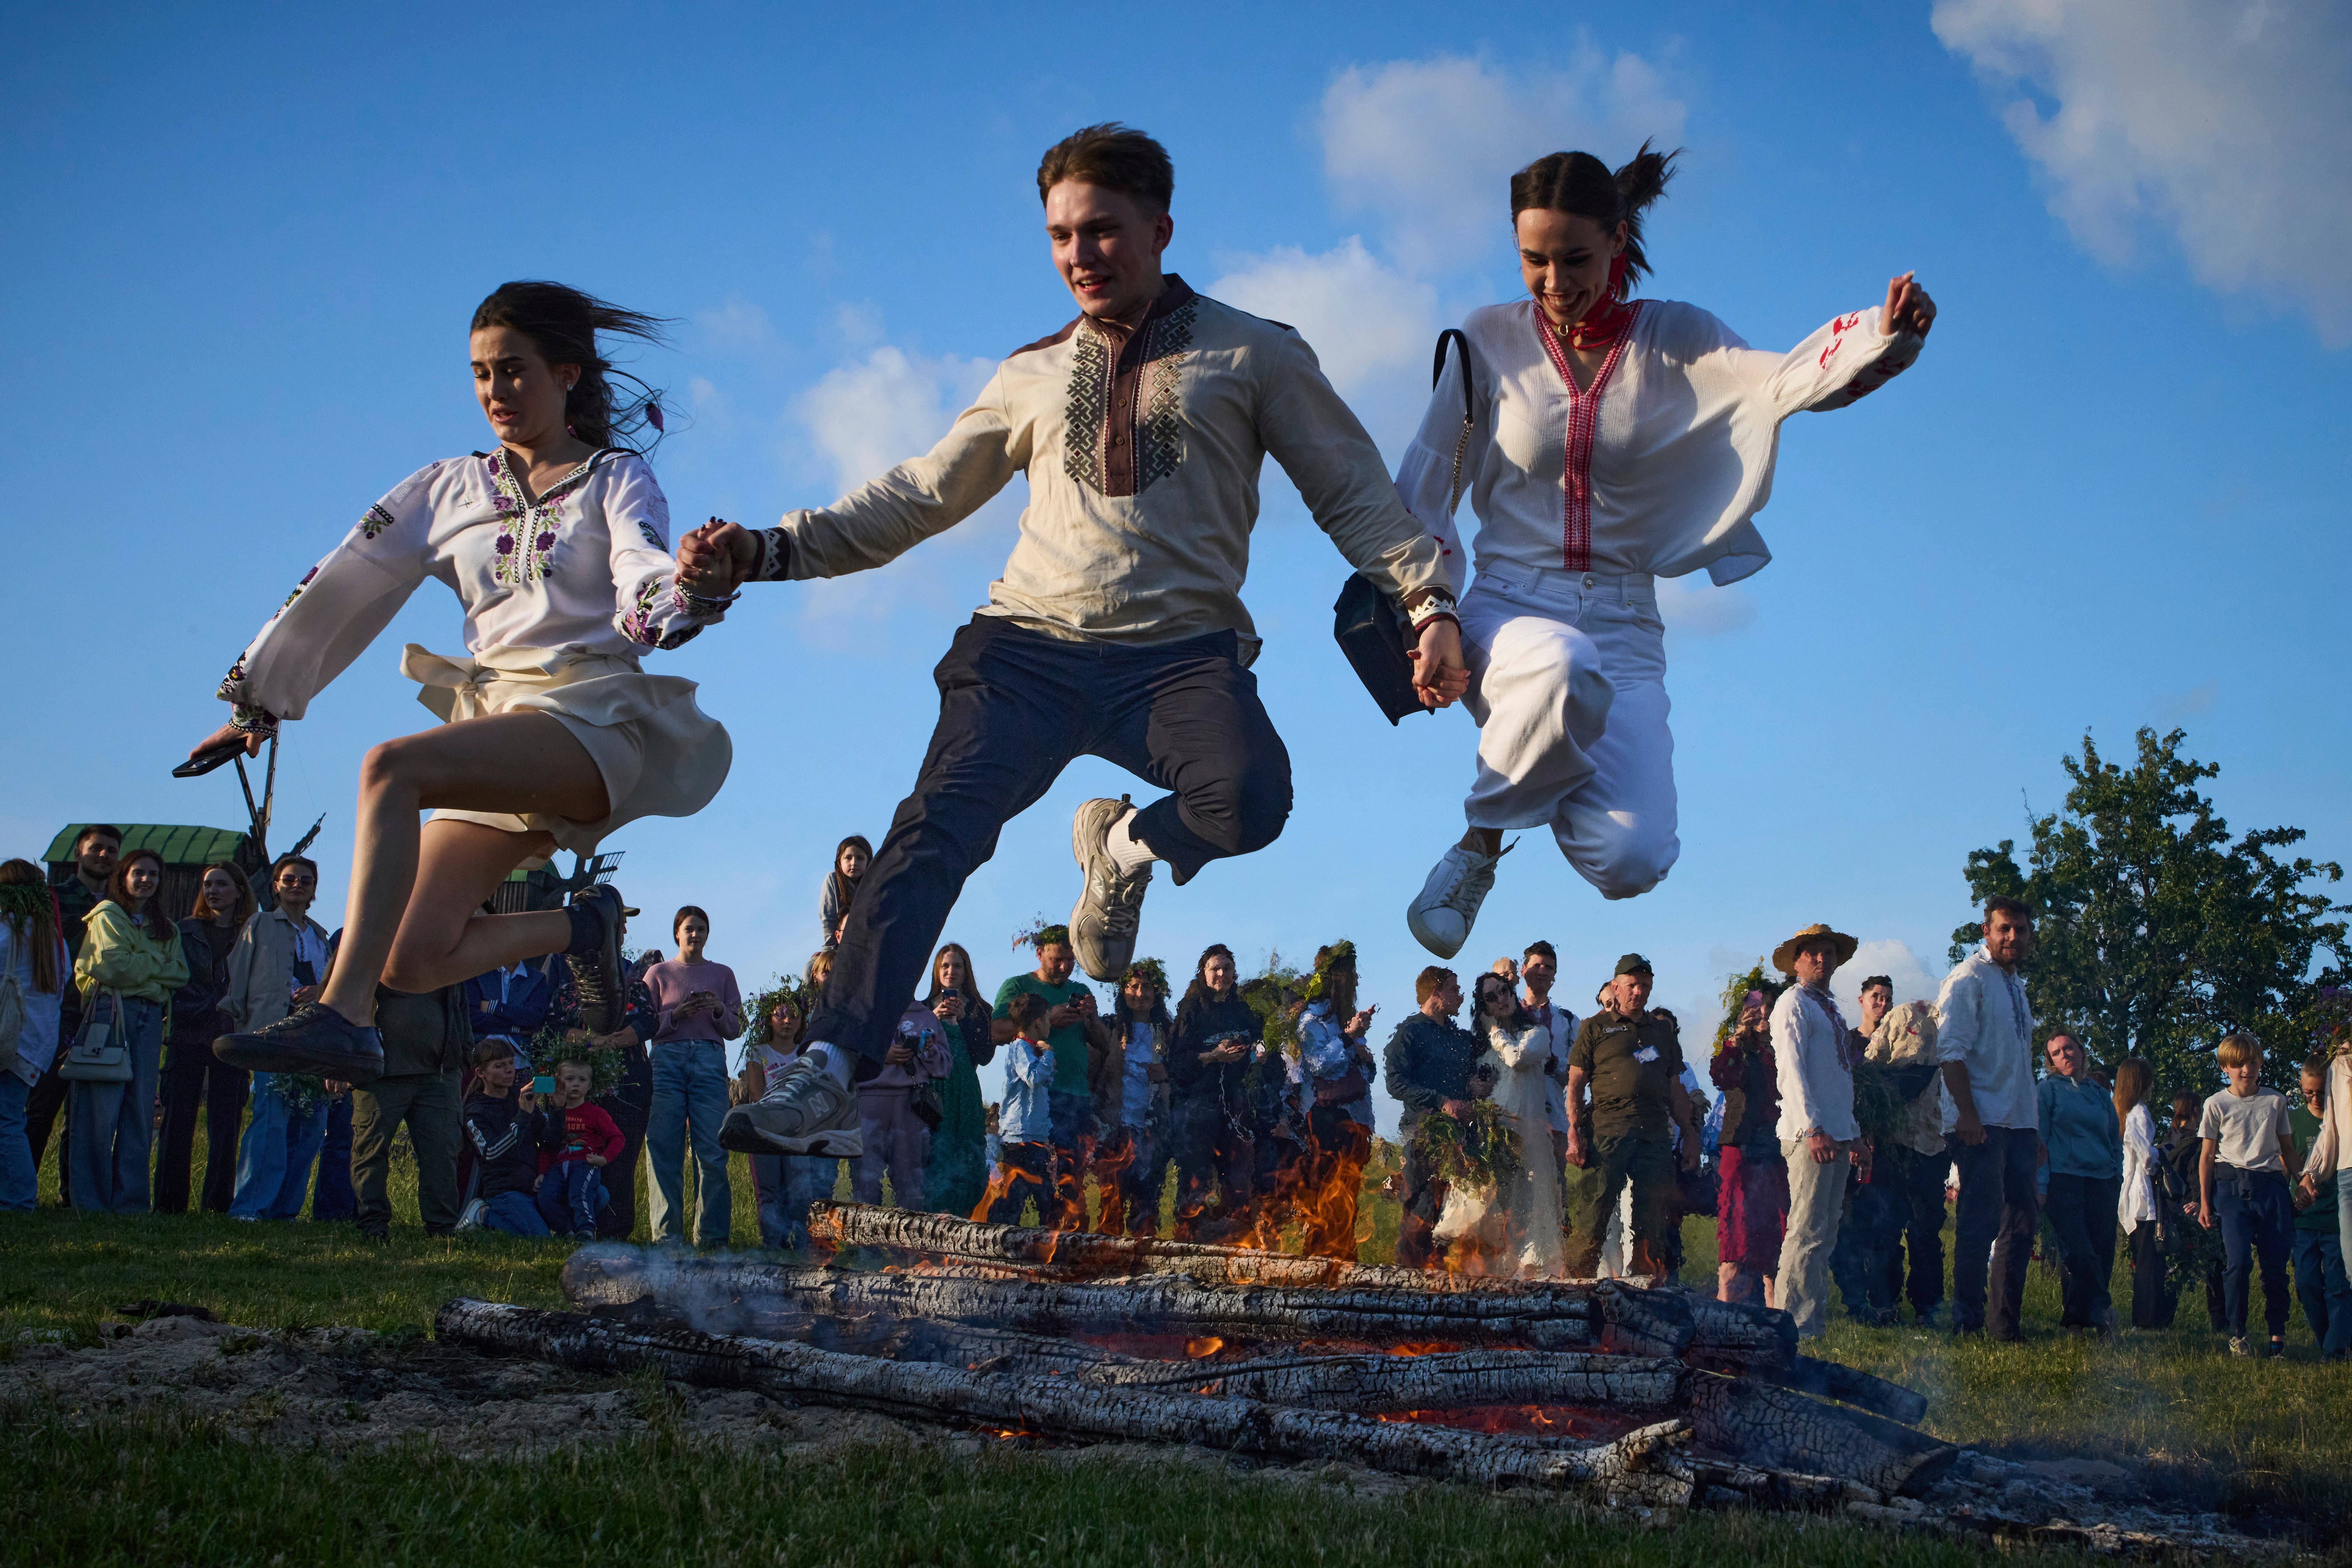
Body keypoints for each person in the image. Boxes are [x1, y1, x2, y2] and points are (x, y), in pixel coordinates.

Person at [699, 122, 1466, 1159]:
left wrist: (1427, 605)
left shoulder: (1254, 351)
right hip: (1025, 651)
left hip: (1179, 653)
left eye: (1102, 230)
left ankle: (1120, 849)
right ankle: (829, 1068)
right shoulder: (1030, 372)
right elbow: (918, 496)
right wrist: (768, 549)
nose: (1080, 254)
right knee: (932, 833)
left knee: (1252, 799)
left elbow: (1352, 488)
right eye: (1061, 235)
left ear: (1159, 226)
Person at [193, 281, 737, 1083]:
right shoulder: (446, 489)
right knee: (412, 957)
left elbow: (642, 573)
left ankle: (341, 1017)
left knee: (391, 766)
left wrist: (689, 590)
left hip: (588, 717)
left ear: (568, 374)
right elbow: (348, 577)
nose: (496, 391)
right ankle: (581, 928)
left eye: (514, 371)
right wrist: (260, 701)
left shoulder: (616, 478)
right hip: (500, 724)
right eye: (482, 373)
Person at [1399, 147, 1934, 957]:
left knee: (1633, 859)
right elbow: (1425, 482)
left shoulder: (1679, 338)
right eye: (1532, 259)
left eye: (1575, 258)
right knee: (1560, 667)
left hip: (1626, 617)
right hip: (1508, 609)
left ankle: (1545, 743)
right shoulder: (1484, 341)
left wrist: (1878, 337)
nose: (1553, 281)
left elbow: (1783, 381)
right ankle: (1479, 845)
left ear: (1618, 240)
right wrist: (1431, 608)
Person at [1936, 896, 2043, 1340]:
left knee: (2022, 1221)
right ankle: (1967, 1320)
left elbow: (2019, 1063)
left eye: (2020, 929)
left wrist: (2031, 1126)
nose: (2012, 937)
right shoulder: (1968, 978)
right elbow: (1951, 1050)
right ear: (1987, 931)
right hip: (1981, 1119)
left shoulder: (2016, 985)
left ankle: (2004, 1324)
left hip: (2017, 1121)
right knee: (1980, 1220)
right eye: (2004, 928)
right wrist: (1967, 1113)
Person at [66, 846, 189, 1213]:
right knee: (98, 1111)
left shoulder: (167, 927)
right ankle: (90, 1202)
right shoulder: (107, 916)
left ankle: (131, 1203)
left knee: (139, 1110)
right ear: (124, 877)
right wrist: (155, 969)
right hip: (108, 1014)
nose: (146, 880)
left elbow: (180, 973)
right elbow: (111, 968)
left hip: (150, 1018)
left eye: (153, 875)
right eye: (139, 873)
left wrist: (141, 971)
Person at [1563, 954, 1698, 1278]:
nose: (1638, 992)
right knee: (1594, 1210)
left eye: (1645, 986)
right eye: (1632, 985)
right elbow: (1574, 1084)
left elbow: (1676, 1087)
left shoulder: (1662, 1032)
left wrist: (1690, 1134)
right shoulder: (1594, 1028)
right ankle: (1575, 1287)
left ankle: (1644, 1285)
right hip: (1608, 1130)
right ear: (1616, 987)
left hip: (1654, 1133)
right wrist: (1573, 1131)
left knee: (1653, 1215)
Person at [225, 856, 336, 1222]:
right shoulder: (258, 924)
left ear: (315, 890)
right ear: (275, 886)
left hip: (313, 1040)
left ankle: (285, 1212)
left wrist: (319, 991)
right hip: (272, 1037)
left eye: (305, 880)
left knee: (309, 1128)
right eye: (289, 879)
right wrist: (244, 1036)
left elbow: (333, 988)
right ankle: (250, 1208)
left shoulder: (320, 936)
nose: (297, 885)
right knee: (270, 1124)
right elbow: (238, 982)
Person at [1765, 925, 1862, 1339]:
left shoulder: (1830, 1008)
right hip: (1812, 1132)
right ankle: (1790, 1322)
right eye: (1814, 954)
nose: (1823, 960)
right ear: (1798, 961)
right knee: (1805, 1229)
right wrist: (1812, 1127)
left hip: (1837, 1129)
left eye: (1829, 953)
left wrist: (1853, 1132)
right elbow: (1792, 1071)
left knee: (1825, 1230)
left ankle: (1811, 1320)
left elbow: (1840, 1077)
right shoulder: (1793, 1003)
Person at [985, 924, 1107, 1226]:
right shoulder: (1017, 986)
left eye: (1071, 959)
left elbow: (1105, 1045)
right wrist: (1048, 1018)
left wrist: (1091, 1018)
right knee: (1022, 1179)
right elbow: (996, 1032)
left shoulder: (1082, 992)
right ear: (1040, 954)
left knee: (1068, 1179)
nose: (1065, 966)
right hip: (1032, 1103)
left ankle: (1060, 1245)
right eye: (1057, 959)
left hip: (1075, 1096)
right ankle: (1004, 1244)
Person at [642, 905, 744, 1247]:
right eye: (689, 929)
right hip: (667, 1061)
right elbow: (642, 1025)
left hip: (709, 1060)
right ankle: (667, 1240)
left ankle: (712, 1239)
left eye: (701, 929)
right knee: (663, 1148)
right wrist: (676, 1015)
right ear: (677, 934)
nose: (695, 935)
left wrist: (716, 1009)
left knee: (713, 1151)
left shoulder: (723, 974)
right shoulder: (658, 973)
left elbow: (735, 1027)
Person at [28, 823, 121, 1200]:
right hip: (59, 1013)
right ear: (78, 854)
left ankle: (76, 1195)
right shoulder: (53, 898)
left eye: (111, 850)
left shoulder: (121, 906)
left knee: (86, 1118)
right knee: (41, 1108)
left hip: (103, 1017)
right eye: (96, 848)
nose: (103, 855)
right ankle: (19, 1191)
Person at [157, 862, 255, 1214]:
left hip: (230, 1036)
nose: (213, 891)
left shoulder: (250, 933)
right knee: (177, 1120)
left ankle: (217, 1204)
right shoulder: (184, 931)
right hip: (187, 1032)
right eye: (208, 885)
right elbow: (174, 979)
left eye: (222, 884)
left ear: (240, 890)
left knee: (226, 1123)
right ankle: (169, 1204)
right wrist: (207, 1007)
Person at [2198, 1033, 2298, 1357]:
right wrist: (2204, 1201)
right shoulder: (2216, 1104)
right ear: (2225, 1067)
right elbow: (2206, 1156)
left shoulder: (2275, 1101)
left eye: (2252, 1063)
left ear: (2260, 1064)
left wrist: (2303, 1179)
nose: (2246, 1070)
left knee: (2274, 1265)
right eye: (2238, 1064)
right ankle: (2237, 1333)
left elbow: (2287, 1149)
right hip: (2230, 1186)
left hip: (2270, 1184)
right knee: (2238, 1262)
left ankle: (2277, 1336)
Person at [349, 976, 471, 1240]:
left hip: (439, 1074)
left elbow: (460, 1005)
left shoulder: (443, 948)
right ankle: (373, 1226)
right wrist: (340, 1059)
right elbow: (341, 998)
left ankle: (442, 1229)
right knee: (370, 1151)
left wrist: (463, 1055)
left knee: (442, 1152)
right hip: (378, 1072)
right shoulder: (372, 942)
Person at [1466, 971, 1565, 1277]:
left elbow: (1516, 1059)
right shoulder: (1483, 1052)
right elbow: (1480, 1093)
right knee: (1500, 1212)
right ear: (1484, 1007)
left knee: (1536, 1210)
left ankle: (1537, 1276)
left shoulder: (1536, 1035)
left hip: (1532, 1139)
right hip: (1497, 1142)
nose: (1502, 999)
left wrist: (1494, 1031)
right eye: (1492, 997)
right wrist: (1475, 1088)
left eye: (1505, 991)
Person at [1383, 966, 1479, 1268]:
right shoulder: (1411, 1032)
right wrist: (1441, 1101)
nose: (1461, 996)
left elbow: (1477, 1072)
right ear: (1436, 992)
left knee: (1456, 1215)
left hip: (1463, 1139)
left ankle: (1443, 1288)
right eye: (1454, 989)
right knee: (1421, 1211)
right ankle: (1408, 1282)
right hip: (1423, 1133)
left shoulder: (1460, 1037)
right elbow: (1395, 1082)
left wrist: (1478, 1085)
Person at [1864, 992, 1951, 1327]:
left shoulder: (1968, 1030)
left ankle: (1928, 1307)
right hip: (1892, 1139)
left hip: (1933, 1142)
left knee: (1926, 1230)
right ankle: (1884, 1304)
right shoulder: (1905, 1015)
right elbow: (1871, 1067)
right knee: (1885, 1226)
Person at [1165, 944, 1262, 1237]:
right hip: (1198, 1104)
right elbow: (1175, 1063)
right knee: (1196, 1176)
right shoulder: (1191, 1010)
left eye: (1227, 968)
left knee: (1239, 1174)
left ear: (1235, 973)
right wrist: (1212, 1056)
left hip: (1236, 1104)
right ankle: (1189, 1237)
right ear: (1203, 973)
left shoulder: (1243, 1010)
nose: (1221, 974)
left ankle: (1236, 1238)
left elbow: (1259, 1045)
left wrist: (1259, 1052)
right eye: (1215, 968)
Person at [1293, 943, 1377, 1259]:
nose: (1355, 980)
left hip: (1356, 1116)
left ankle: (1343, 1260)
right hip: (1326, 1118)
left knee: (1348, 1198)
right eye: (1349, 974)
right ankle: (1316, 1264)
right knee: (1326, 1192)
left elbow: (1365, 1075)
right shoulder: (1310, 1021)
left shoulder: (1347, 1018)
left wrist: (1364, 1058)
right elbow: (1318, 1065)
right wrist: (1347, 1037)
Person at [2038, 1030, 2123, 1332]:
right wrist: (2041, 1184)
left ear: (2081, 1051)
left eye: (2069, 1048)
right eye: (2057, 1053)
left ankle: (2076, 1320)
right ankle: (2103, 1309)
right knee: (2079, 1250)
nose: (2065, 1055)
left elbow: (2115, 1139)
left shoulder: (2100, 1094)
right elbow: (2041, 1141)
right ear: (2051, 1062)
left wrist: (2117, 1174)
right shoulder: (2047, 1091)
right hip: (2064, 1180)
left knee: (2102, 1250)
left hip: (2102, 1180)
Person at [1710, 983, 1786, 1307]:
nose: (1765, 1012)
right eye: (1758, 1005)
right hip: (1741, 1142)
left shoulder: (1786, 1047)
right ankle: (1726, 1296)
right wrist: (1735, 1038)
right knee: (1736, 1218)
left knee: (1774, 1217)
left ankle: (1773, 1301)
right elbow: (1721, 1078)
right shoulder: (1738, 1049)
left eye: (1770, 1005)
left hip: (1776, 1142)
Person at [0, 860, 68, 1211]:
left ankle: (18, 1200)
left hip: (4, 1039)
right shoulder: (52, 938)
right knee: (12, 1118)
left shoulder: (5, 932)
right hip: (35, 1044)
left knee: (6, 1122)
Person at [1094, 958, 1170, 1236]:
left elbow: (1183, 1070)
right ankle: (1105, 1262)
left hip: (1152, 1126)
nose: (1141, 993)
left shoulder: (1169, 1031)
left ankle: (1144, 1266)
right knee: (1112, 1199)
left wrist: (1166, 1073)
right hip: (1118, 1126)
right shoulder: (1112, 1027)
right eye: (1134, 986)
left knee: (1146, 1202)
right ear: (1123, 992)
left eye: (1147, 987)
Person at [920, 942, 996, 1220]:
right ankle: (933, 1227)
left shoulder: (980, 1010)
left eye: (957, 966)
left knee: (968, 1152)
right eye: (945, 966)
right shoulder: (922, 1008)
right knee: (935, 1153)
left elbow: (985, 1057)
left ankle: (964, 1223)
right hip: (934, 1091)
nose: (951, 971)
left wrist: (964, 1021)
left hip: (965, 1091)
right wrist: (933, 1021)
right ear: (937, 972)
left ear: (967, 972)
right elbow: (913, 1054)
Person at [854, 1004, 950, 1210]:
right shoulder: (863, 1010)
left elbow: (944, 1068)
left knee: (911, 1184)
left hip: (911, 1106)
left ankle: (908, 1242)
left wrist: (929, 1051)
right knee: (866, 1180)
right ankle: (866, 1242)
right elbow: (847, 1055)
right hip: (869, 1104)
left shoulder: (926, 1017)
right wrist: (880, 1053)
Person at [2290, 1053, 2349, 1357]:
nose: (2314, 1098)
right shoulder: (2293, 1120)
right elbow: (2285, 1162)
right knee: (2307, 1284)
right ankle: (2328, 1338)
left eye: (2320, 1091)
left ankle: (2335, 1351)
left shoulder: (2342, 1118)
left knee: (2339, 1286)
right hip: (2303, 1219)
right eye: (2308, 1092)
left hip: (2337, 1218)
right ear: (2301, 1086)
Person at [461, 1042, 554, 1236]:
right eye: (499, 1066)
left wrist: (559, 1109)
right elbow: (491, 1153)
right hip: (503, 1191)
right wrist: (523, 1116)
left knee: (600, 1196)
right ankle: (482, 1215)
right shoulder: (475, 1111)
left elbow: (547, 1139)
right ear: (480, 1073)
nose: (509, 1070)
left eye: (511, 1063)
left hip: (534, 1185)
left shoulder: (519, 1096)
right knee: (540, 1238)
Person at [987, 992, 1059, 1225]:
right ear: (1038, 1021)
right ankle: (999, 1238)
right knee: (1015, 1194)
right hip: (1019, 1137)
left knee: (1045, 1194)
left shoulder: (1031, 1049)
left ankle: (1048, 1241)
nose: (1050, 1023)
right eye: (1048, 1018)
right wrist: (1048, 1055)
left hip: (1035, 1135)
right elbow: (1033, 1076)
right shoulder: (1019, 1048)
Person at [2114, 1057, 2175, 1330]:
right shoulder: (2138, 1112)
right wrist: (2165, 1149)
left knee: (2143, 1258)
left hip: (2129, 1193)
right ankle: (2147, 1320)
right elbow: (2146, 1158)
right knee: (2150, 1260)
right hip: (2142, 1195)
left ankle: (2145, 1318)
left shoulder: (2119, 1111)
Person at [535, 1058, 623, 1237]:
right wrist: (542, 1172)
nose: (576, 1084)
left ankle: (586, 1230)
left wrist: (604, 1159)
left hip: (584, 1163)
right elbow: (548, 1148)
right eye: (569, 1079)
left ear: (590, 1085)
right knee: (545, 1196)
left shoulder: (596, 1113)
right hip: (558, 1167)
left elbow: (617, 1138)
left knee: (580, 1194)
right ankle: (564, 1232)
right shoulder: (553, 1113)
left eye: (582, 1080)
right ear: (558, 1082)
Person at [1517, 941, 1577, 1201]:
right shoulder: (1505, 1015)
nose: (1542, 971)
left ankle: (1558, 1239)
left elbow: (1579, 1072)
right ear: (1523, 970)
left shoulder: (1568, 1020)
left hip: (1554, 1115)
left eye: (1549, 967)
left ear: (1555, 975)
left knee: (1555, 1188)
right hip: (1515, 1114)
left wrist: (1556, 1064)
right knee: (1514, 1189)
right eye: (1536, 965)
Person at [2165, 1089, 2227, 1332]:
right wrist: (2202, 1202)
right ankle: (2220, 1321)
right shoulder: (2201, 1142)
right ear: (2197, 1112)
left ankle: (2164, 1317)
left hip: (2172, 1211)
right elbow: (2197, 1174)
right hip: (2197, 1207)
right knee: (2214, 1265)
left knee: (2173, 1267)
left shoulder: (2170, 1141)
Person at [819, 836, 873, 950]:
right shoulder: (833, 880)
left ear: (869, 862)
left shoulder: (874, 884)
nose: (854, 863)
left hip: (868, 947)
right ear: (839, 862)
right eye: (848, 858)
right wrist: (829, 950)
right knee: (811, 968)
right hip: (838, 946)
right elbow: (828, 918)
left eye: (860, 858)